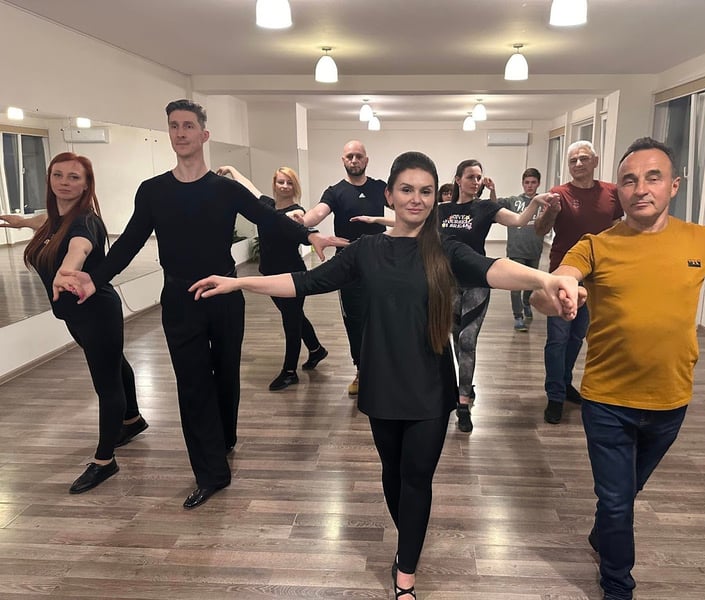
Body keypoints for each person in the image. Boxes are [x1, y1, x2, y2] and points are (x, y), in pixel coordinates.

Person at [190, 151, 580, 599]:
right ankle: (407, 539)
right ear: (390, 196)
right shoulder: (367, 251)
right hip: (381, 382)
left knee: (417, 478)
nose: (417, 199)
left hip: (431, 386)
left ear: (435, 198)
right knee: (393, 473)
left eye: (426, 191)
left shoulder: (446, 249)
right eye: (407, 189)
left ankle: (405, 574)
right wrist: (240, 282)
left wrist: (545, 280)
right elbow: (304, 283)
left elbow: (495, 270)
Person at [533, 137, 705, 600]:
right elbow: (552, 285)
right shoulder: (595, 246)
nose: (641, 189)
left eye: (652, 178)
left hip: (671, 400)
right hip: (607, 401)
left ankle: (603, 533)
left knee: (626, 493)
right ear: (617, 191)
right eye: (629, 180)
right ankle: (618, 586)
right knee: (617, 501)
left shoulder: (701, 241)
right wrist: (558, 293)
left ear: (673, 185)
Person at [54, 99, 344, 510]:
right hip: (179, 299)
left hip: (224, 295)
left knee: (226, 375)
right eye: (174, 125)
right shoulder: (153, 191)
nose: (180, 132)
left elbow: (269, 218)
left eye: (188, 125)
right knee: (192, 386)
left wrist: (309, 235)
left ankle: (224, 439)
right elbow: (129, 242)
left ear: (203, 134)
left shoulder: (225, 189)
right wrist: (93, 278)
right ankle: (210, 473)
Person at [0, 152, 147, 494]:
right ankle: (133, 420)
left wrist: (66, 272)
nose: (64, 182)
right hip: (77, 315)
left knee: (106, 384)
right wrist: (19, 222)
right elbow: (42, 221)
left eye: (74, 177)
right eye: (58, 175)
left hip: (96, 313)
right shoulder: (56, 219)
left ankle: (105, 461)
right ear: (49, 179)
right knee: (115, 363)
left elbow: (77, 250)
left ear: (86, 185)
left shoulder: (84, 223)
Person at [438, 159, 552, 433]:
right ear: (458, 179)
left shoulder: (486, 208)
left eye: (479, 177)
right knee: (456, 339)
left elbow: (518, 221)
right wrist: (376, 221)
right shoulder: (442, 210)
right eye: (470, 177)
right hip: (449, 283)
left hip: (478, 280)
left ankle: (462, 404)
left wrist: (535, 203)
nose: (476, 182)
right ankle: (465, 385)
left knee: (468, 340)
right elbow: (411, 222)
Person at [534, 140, 623, 424]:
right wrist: (551, 211)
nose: (578, 164)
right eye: (573, 160)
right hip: (563, 273)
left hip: (596, 277)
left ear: (595, 161)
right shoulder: (559, 193)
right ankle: (555, 395)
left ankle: (564, 382)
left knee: (576, 336)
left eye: (584, 159)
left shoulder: (612, 193)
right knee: (558, 337)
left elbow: (617, 228)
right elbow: (540, 230)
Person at [216, 165, 327, 391]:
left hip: (292, 275)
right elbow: (248, 186)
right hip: (270, 274)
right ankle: (316, 349)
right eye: (280, 182)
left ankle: (290, 372)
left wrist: (300, 220)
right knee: (294, 315)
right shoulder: (265, 205)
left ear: (295, 187)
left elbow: (297, 220)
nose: (284, 186)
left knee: (291, 321)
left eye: (289, 183)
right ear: (274, 185)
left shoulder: (297, 211)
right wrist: (231, 170)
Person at [299, 140, 388, 396]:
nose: (354, 160)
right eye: (350, 156)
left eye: (359, 156)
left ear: (366, 160)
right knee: (354, 320)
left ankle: (384, 369)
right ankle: (361, 370)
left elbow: (404, 208)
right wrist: (300, 219)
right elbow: (317, 213)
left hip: (381, 261)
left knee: (382, 317)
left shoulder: (380, 188)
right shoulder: (335, 192)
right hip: (349, 265)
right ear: (343, 160)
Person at [495, 167, 546, 332]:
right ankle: (518, 316)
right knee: (515, 285)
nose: (530, 186)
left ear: (538, 183)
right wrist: (492, 190)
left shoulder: (544, 202)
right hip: (516, 250)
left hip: (534, 250)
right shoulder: (513, 201)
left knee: (531, 283)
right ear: (523, 184)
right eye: (527, 182)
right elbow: (494, 206)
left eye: (533, 182)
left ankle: (526, 303)